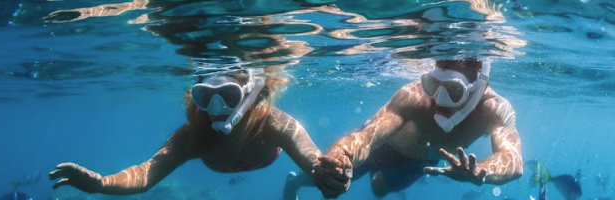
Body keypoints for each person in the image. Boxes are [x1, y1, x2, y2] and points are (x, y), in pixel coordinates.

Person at [49, 66, 322, 195]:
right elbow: (146, 174)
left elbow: (315, 162)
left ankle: (291, 182)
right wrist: (101, 184)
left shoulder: (274, 124)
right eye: (205, 97)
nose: (216, 108)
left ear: (250, 95)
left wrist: (332, 172)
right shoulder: (192, 135)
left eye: (228, 95)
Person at [308, 58, 524, 198]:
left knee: (378, 190)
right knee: (328, 176)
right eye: (433, 85)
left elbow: (513, 160)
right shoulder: (413, 96)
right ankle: (296, 182)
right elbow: (365, 139)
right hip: (385, 147)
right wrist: (340, 154)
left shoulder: (494, 109)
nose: (440, 99)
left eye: (453, 91)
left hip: (423, 161)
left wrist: (480, 172)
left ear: (477, 82)